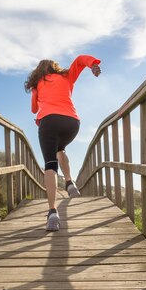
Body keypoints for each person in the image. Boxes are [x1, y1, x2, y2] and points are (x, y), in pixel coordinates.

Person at [24, 55, 101, 231]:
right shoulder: (66, 76)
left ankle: (52, 211)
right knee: (61, 149)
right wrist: (94, 65)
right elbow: (80, 60)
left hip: (49, 122)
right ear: (55, 67)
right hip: (72, 123)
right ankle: (69, 182)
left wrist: (37, 93)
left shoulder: (38, 85)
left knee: (50, 165)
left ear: (38, 72)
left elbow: (34, 110)